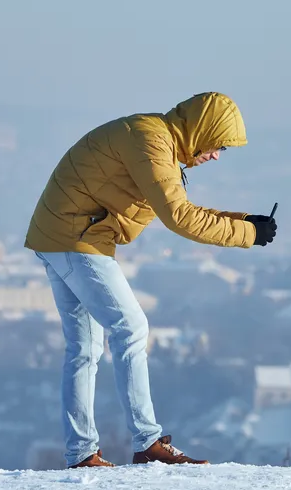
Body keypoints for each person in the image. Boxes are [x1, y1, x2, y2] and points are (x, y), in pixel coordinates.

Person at [23, 92, 276, 469]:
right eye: (218, 144)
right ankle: (148, 442)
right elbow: (179, 217)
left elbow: (176, 205)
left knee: (84, 349)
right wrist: (247, 235)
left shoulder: (156, 139)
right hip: (77, 239)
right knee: (131, 328)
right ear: (202, 129)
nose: (217, 155)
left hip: (58, 235)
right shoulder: (152, 142)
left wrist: (245, 221)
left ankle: (81, 453)